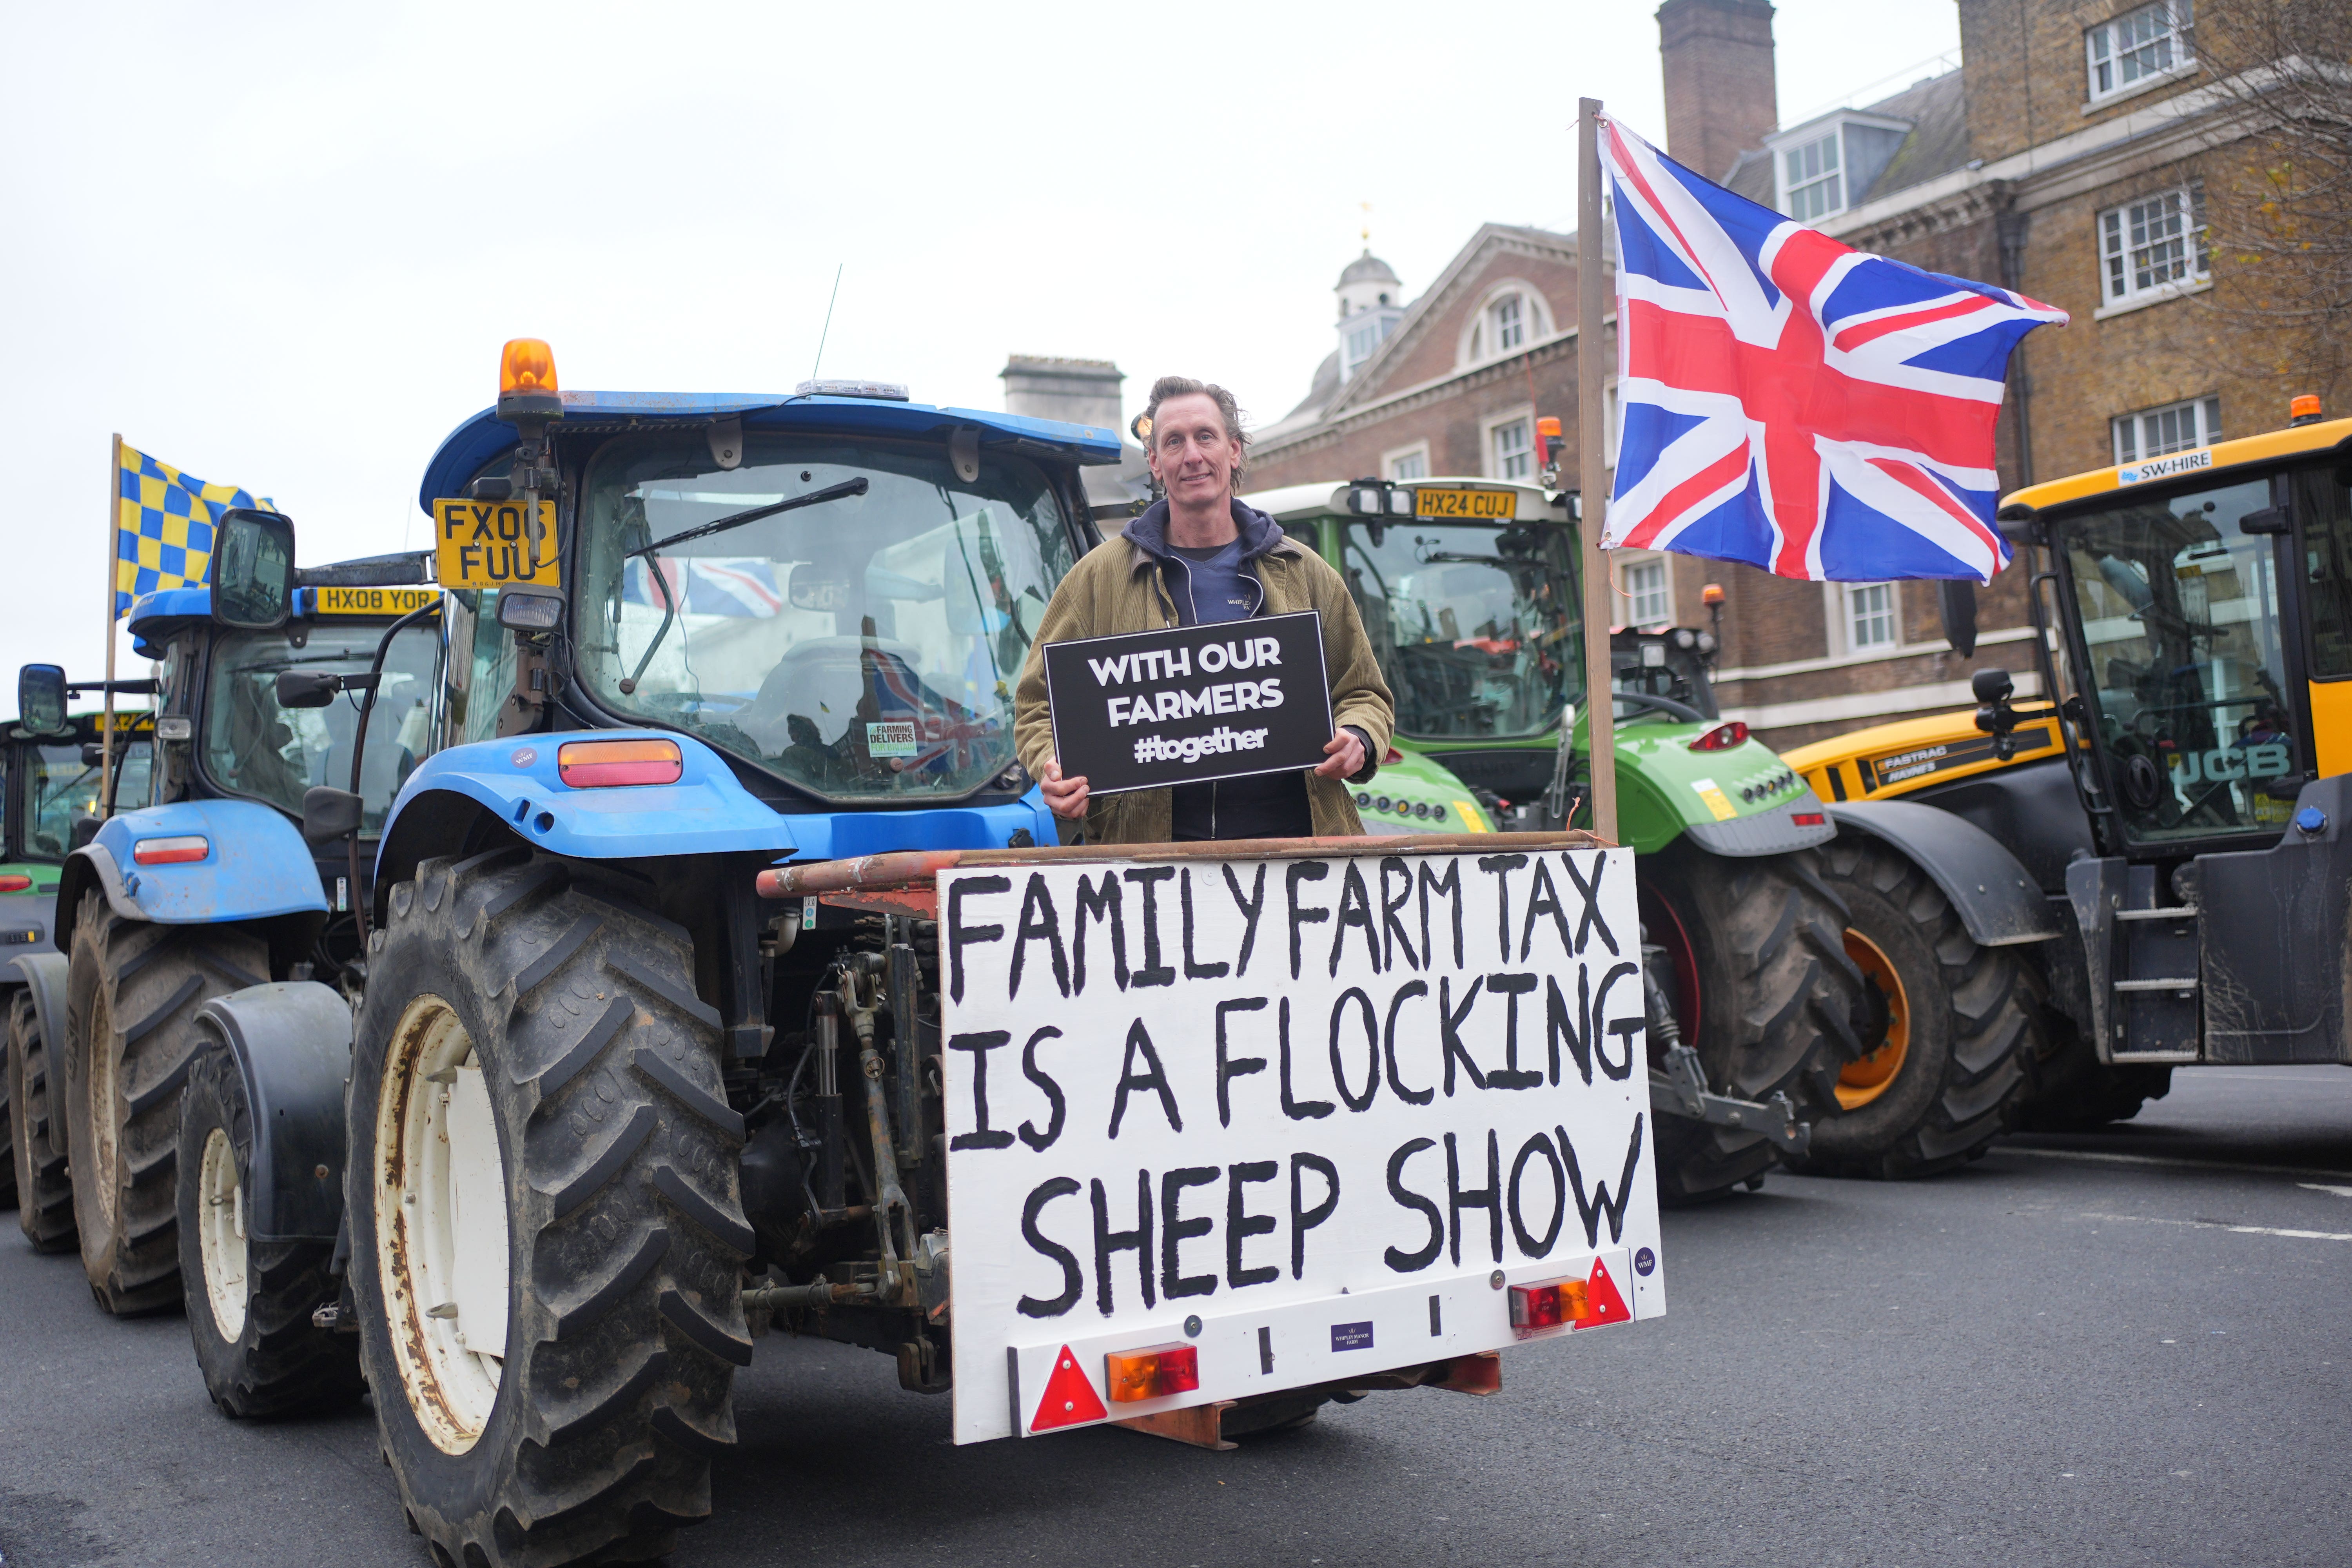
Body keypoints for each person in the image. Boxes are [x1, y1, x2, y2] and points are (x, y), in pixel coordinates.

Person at [1013, 376, 1393, 843]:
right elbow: (1036, 703)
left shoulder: (1306, 573)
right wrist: (1054, 765)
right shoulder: (1095, 580)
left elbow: (1365, 693)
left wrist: (1359, 736)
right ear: (1155, 462)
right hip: (1153, 863)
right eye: (1174, 442)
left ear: (1233, 451)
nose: (1192, 455)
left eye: (1205, 437)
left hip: (1297, 856)